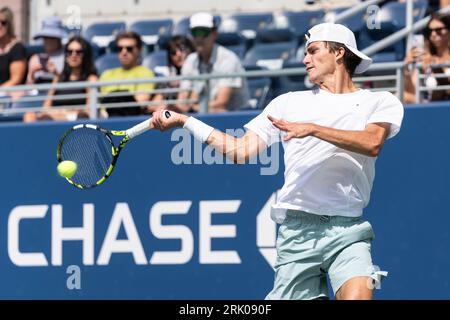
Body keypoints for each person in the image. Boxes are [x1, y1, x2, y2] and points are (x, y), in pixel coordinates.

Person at [150, 23, 404, 300]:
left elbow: (372, 143)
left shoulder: (379, 101)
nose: (305, 59)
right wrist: (185, 121)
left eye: (313, 51)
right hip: (297, 233)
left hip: (348, 230)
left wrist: (314, 129)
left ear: (339, 53)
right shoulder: (287, 103)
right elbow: (240, 151)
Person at [175, 12, 250, 113]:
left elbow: (221, 104)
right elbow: (183, 99)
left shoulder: (228, 59)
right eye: (195, 32)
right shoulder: (190, 60)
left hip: (236, 119)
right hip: (204, 116)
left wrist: (192, 107)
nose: (199, 38)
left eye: (204, 32)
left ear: (215, 34)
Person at [23, 36, 98, 122]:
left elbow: (89, 111)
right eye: (69, 52)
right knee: (29, 115)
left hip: (77, 122)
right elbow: (45, 109)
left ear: (85, 55)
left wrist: (66, 113)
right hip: (55, 120)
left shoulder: (91, 79)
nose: (74, 55)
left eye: (79, 52)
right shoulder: (58, 79)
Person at [99, 31, 156, 117]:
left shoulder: (147, 73)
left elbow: (140, 102)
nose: (124, 52)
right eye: (120, 48)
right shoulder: (106, 74)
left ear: (139, 50)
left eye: (129, 48)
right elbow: (101, 106)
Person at [403, 13, 450, 103]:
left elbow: (447, 90)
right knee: (402, 96)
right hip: (432, 105)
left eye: (438, 30)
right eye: (429, 31)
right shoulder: (426, 60)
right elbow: (410, 93)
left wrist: (437, 68)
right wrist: (407, 68)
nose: (433, 34)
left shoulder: (431, 61)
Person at [152, 35, 195, 112]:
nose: (178, 54)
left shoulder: (199, 72)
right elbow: (153, 105)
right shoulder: (169, 77)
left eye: (182, 49)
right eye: (173, 52)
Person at [27, 16, 65, 85]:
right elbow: (29, 88)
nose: (48, 41)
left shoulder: (68, 56)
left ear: (59, 39)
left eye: (52, 37)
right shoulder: (35, 58)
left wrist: (56, 73)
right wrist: (32, 73)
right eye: (46, 37)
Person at [0, 6, 27, 91]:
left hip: (8, 97)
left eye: (3, 22)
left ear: (9, 24)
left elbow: (15, 80)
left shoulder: (17, 48)